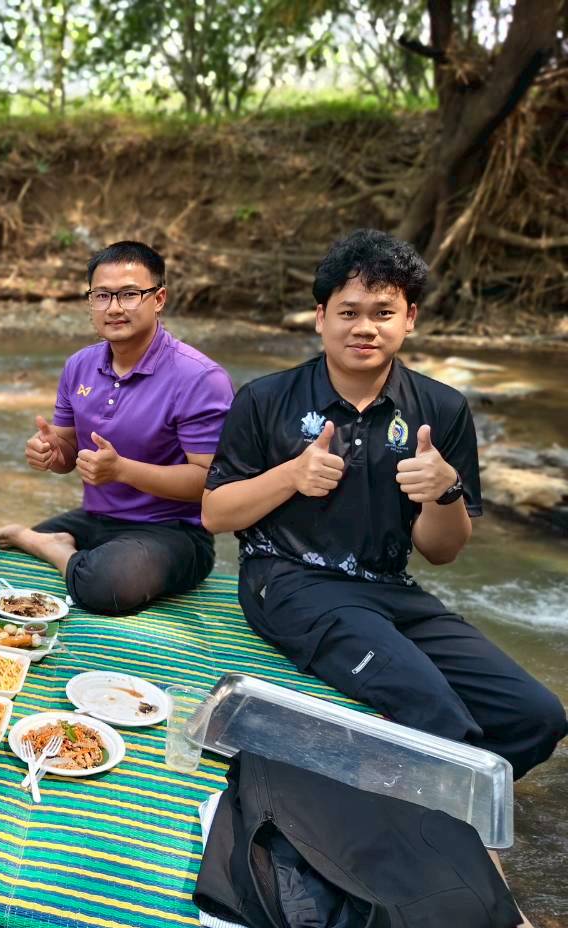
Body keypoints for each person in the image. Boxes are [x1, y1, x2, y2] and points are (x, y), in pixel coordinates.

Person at [202, 229, 565, 779]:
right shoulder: (266, 398)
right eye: (349, 312)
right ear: (320, 317)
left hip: (391, 588)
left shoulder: (441, 409)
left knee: (537, 716)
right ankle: (424, 817)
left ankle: (439, 804)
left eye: (383, 312)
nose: (365, 327)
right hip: (287, 579)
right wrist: (290, 475)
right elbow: (215, 513)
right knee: (436, 713)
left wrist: (445, 490)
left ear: (410, 318)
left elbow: (442, 551)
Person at [0, 241, 234, 615]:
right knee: (3, 560)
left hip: (174, 531)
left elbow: (210, 482)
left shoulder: (200, 378)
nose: (114, 308)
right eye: (102, 295)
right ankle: (56, 546)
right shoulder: (79, 365)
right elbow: (68, 453)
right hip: (96, 519)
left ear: (159, 299)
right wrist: (52, 452)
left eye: (129, 294)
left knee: (105, 587)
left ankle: (54, 548)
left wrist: (122, 470)